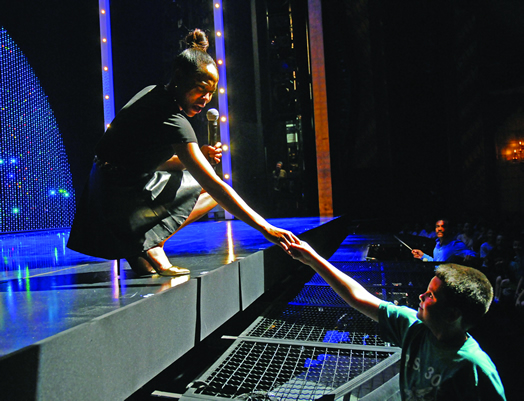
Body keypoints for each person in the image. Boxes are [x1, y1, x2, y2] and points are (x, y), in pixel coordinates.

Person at [67, 29, 299, 276]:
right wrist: (266, 228)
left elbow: (149, 162)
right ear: (179, 76)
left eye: (211, 92)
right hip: (119, 201)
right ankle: (152, 242)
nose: (206, 99)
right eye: (201, 89)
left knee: (149, 268)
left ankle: (139, 247)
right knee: (211, 192)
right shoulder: (175, 121)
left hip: (102, 194)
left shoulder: (151, 93)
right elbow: (214, 185)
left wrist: (195, 157)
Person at [287, 240, 506, 400]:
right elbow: (358, 296)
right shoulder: (414, 328)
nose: (421, 296)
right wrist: (312, 259)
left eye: (431, 295)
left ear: (452, 315)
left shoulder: (475, 367)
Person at [411, 219, 476, 263]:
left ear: (449, 229)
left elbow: (473, 255)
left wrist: (471, 257)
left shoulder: (455, 245)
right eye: (437, 226)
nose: (439, 229)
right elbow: (436, 264)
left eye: (443, 226)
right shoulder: (437, 245)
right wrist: (422, 256)